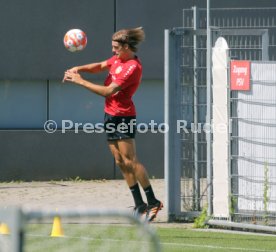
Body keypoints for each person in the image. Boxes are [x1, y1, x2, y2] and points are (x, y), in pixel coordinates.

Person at [63, 27, 163, 221]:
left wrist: (79, 81)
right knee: (119, 160)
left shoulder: (132, 67)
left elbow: (108, 91)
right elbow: (100, 66)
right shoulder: (118, 59)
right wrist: (79, 68)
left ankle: (153, 201)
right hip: (110, 115)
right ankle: (139, 204)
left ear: (126, 46)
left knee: (131, 161)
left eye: (116, 47)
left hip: (124, 116)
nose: (113, 51)